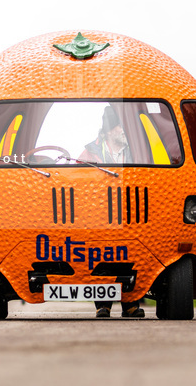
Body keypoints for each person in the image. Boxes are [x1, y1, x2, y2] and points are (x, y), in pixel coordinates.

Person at [81, 107, 143, 318]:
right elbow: (78, 180)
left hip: (128, 213)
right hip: (98, 215)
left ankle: (131, 304)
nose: (123, 130)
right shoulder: (90, 152)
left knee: (130, 258)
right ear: (107, 131)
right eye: (119, 126)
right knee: (102, 259)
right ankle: (103, 306)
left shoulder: (135, 151)